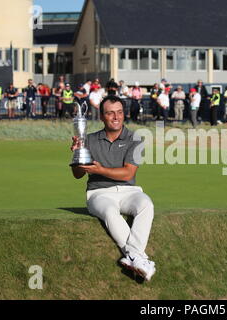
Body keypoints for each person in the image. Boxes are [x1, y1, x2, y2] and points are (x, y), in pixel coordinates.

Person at [70, 95, 156, 281]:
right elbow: (78, 175)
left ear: (124, 114)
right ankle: (139, 258)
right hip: (99, 194)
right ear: (102, 117)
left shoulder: (136, 139)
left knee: (146, 204)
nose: (116, 117)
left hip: (130, 191)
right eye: (110, 113)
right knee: (110, 211)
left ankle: (133, 256)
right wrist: (78, 155)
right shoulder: (89, 139)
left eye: (119, 112)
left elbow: (128, 174)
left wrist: (100, 169)